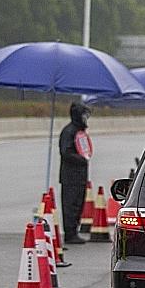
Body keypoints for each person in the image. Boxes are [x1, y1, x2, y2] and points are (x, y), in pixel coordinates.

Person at [58, 102, 93, 243]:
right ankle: (70, 232)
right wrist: (81, 159)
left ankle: (74, 231)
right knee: (71, 205)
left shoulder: (79, 132)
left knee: (78, 204)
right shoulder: (69, 131)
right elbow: (65, 152)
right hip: (70, 176)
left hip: (80, 176)